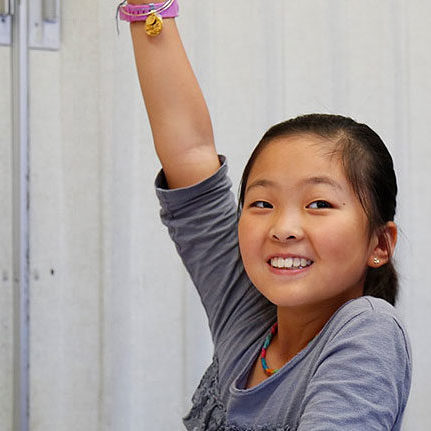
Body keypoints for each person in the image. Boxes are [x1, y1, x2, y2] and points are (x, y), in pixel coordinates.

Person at [119, 1, 412, 429]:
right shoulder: (248, 315)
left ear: (380, 243)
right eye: (261, 203)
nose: (283, 228)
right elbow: (190, 152)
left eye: (319, 204)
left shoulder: (368, 330)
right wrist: (147, 7)